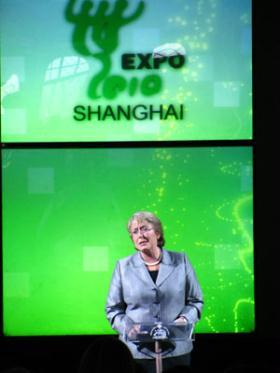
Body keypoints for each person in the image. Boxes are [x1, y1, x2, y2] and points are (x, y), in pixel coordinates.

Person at [106, 211, 203, 373]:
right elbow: (113, 310)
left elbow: (196, 301)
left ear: (157, 233)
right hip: (137, 353)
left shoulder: (181, 261)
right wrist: (129, 327)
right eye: (135, 232)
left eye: (144, 229)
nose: (140, 235)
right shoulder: (123, 267)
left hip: (177, 351)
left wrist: (184, 320)